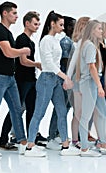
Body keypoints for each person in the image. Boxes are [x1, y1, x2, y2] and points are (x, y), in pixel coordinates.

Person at [25, 11, 80, 157]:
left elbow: (56, 62)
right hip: (46, 80)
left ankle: (66, 146)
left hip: (55, 80)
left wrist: (62, 78)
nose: (63, 28)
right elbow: (48, 63)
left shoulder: (56, 40)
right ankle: (30, 146)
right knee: (39, 113)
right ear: (52, 24)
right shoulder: (46, 40)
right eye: (61, 25)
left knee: (62, 111)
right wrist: (65, 77)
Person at [0, 11, 44, 151]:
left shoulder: (30, 42)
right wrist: (37, 64)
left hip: (31, 80)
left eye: (38, 24)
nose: (37, 26)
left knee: (31, 109)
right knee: (15, 110)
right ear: (27, 23)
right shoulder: (22, 40)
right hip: (22, 80)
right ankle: (3, 139)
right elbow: (23, 61)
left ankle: (31, 140)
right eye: (35, 24)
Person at [0, 1, 30, 157]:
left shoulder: (8, 33)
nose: (17, 16)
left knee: (17, 110)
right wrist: (23, 50)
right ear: (5, 13)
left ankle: (23, 145)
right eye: (14, 13)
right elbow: (8, 52)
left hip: (10, 78)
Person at [75, 20, 106, 157]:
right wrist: (100, 86)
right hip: (89, 82)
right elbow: (91, 67)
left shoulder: (92, 45)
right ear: (92, 31)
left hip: (92, 83)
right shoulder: (89, 46)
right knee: (86, 116)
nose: (102, 31)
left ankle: (103, 142)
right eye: (99, 29)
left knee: (103, 112)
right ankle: (84, 148)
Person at [46, 16, 76, 150]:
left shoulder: (70, 41)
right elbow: (64, 63)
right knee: (60, 108)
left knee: (65, 107)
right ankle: (53, 135)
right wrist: (66, 79)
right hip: (64, 80)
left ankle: (58, 133)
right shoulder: (65, 42)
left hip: (67, 80)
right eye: (73, 26)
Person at [67, 16, 90, 148]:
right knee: (78, 112)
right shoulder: (79, 43)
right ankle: (75, 140)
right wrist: (67, 78)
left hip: (85, 80)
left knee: (83, 112)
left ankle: (81, 138)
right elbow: (72, 64)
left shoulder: (87, 43)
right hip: (78, 80)